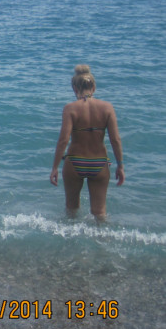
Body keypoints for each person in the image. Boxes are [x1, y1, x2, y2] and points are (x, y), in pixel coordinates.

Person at [50, 65, 124, 221]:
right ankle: (102, 236)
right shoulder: (107, 108)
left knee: (71, 209)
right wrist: (120, 165)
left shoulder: (70, 108)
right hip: (99, 162)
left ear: (74, 88)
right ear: (94, 87)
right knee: (99, 212)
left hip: (74, 162)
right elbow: (115, 140)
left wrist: (55, 167)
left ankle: (69, 236)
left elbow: (63, 140)